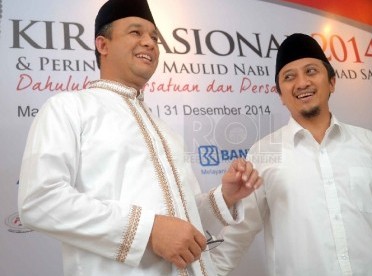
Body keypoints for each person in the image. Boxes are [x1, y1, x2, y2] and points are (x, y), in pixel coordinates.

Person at [17, 0, 261, 275]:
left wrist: (224, 197)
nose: (149, 43)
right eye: (136, 33)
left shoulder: (165, 131)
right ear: (102, 45)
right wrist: (148, 230)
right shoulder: (68, 108)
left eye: (154, 37)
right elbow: (39, 200)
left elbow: (182, 221)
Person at [211, 33, 372, 276]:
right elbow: (236, 236)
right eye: (289, 77)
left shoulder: (371, 145)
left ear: (332, 82)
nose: (302, 83)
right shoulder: (264, 153)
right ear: (280, 94)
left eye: (311, 71)